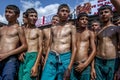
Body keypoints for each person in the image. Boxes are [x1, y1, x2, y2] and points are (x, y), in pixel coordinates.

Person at [41, 4, 77, 80]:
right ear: (58, 13)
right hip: (51, 57)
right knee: (45, 77)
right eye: (62, 11)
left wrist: (69, 68)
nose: (65, 13)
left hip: (65, 57)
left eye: (67, 11)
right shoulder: (53, 28)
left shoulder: (71, 27)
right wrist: (45, 62)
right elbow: (49, 46)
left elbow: (74, 48)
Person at [91, 5, 120, 80]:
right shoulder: (97, 32)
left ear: (111, 14)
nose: (103, 14)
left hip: (113, 62)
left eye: (106, 12)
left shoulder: (117, 29)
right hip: (98, 62)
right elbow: (94, 50)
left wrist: (119, 70)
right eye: (101, 13)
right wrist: (92, 68)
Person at [0, 5, 27, 80]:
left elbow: (24, 46)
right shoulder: (1, 28)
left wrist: (6, 54)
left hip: (10, 59)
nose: (7, 14)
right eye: (6, 11)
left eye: (10, 12)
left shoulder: (19, 29)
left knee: (8, 77)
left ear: (17, 15)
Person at [18, 8, 43, 80]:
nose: (34, 18)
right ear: (27, 17)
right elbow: (19, 44)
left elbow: (40, 48)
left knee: (28, 78)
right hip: (23, 58)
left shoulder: (38, 31)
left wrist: (35, 65)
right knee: (21, 77)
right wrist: (19, 53)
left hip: (33, 56)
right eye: (31, 16)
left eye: (35, 16)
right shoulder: (22, 30)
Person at [70, 12, 96, 80]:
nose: (84, 21)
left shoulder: (90, 33)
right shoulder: (74, 33)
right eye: (82, 19)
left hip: (85, 65)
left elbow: (93, 50)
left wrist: (85, 65)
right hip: (73, 65)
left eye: (86, 19)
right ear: (77, 21)